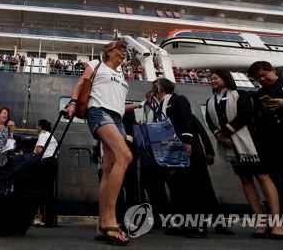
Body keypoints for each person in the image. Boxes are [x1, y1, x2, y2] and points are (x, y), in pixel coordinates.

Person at [65, 40, 141, 246]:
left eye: (125, 50)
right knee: (125, 156)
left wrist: (140, 104)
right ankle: (110, 220)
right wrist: (72, 102)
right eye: (121, 50)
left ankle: (100, 225)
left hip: (117, 118)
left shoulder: (121, 75)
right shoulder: (96, 64)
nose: (124, 53)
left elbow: (118, 104)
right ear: (109, 51)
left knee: (108, 169)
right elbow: (81, 83)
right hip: (98, 112)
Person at [205, 69, 283, 239]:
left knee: (263, 177)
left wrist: (226, 133)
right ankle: (260, 222)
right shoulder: (210, 101)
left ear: (225, 79)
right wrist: (219, 136)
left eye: (215, 78)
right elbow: (210, 122)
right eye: (210, 78)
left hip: (250, 143)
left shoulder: (240, 94)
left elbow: (245, 115)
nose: (211, 80)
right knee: (245, 180)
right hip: (230, 146)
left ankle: (278, 222)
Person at [248, 61, 283, 235]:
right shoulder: (260, 94)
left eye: (264, 75)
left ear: (272, 70)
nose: (262, 79)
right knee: (278, 190)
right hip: (273, 145)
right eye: (258, 78)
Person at [144, 78, 206, 238]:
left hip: (181, 146)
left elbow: (186, 119)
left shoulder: (177, 100)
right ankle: (181, 224)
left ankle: (199, 225)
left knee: (190, 187)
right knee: (175, 188)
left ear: (162, 87)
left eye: (154, 86)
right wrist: (148, 105)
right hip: (165, 151)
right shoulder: (154, 107)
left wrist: (187, 140)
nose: (152, 89)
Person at [34, 119, 59, 227]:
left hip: (47, 162)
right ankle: (49, 219)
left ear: (40, 126)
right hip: (53, 162)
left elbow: (39, 150)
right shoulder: (51, 135)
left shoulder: (43, 135)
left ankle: (46, 219)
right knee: (49, 190)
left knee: (44, 190)